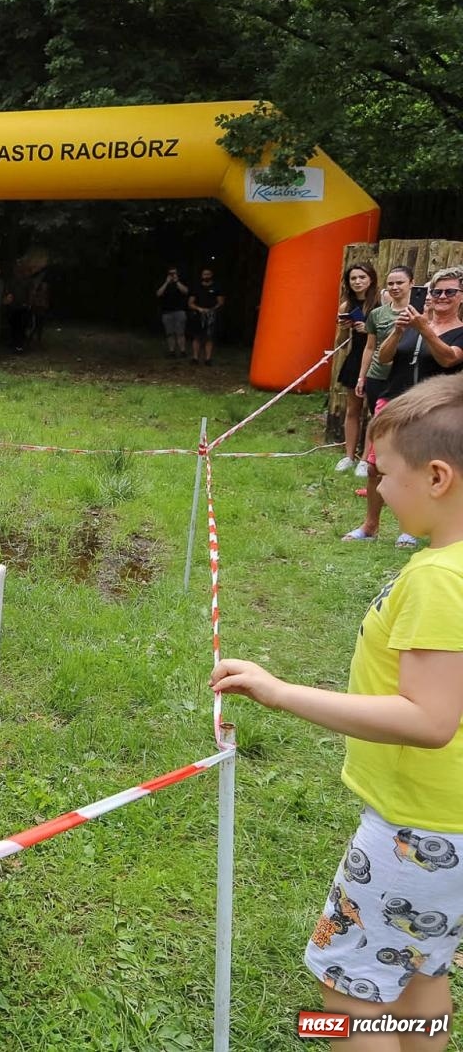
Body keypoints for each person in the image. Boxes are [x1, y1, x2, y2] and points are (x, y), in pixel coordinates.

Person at [212, 374, 463, 1049]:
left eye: (385, 474)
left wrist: (280, 691)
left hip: (417, 833)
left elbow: (431, 719)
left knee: (349, 991)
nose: (375, 488)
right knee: (421, 966)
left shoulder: (441, 578)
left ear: (437, 477)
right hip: (451, 836)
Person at [345, 267, 463, 548]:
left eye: (450, 291)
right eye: (436, 292)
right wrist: (398, 332)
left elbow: (449, 360)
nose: (442, 296)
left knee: (421, 469)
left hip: (434, 409)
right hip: (394, 400)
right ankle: (370, 525)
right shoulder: (412, 324)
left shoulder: (459, 331)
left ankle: (412, 527)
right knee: (376, 466)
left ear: (461, 297)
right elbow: (384, 358)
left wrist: (425, 330)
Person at [334, 262, 379, 475]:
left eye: (362, 277)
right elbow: (341, 341)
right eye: (353, 278)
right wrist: (344, 328)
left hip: (377, 359)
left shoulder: (380, 302)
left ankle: (365, 459)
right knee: (353, 409)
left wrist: (368, 329)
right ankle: (348, 456)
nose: (357, 282)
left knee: (373, 410)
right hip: (355, 358)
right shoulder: (346, 305)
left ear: (371, 279)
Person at [187, 267, 225, 366]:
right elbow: (190, 303)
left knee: (209, 337)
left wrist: (212, 310)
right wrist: (199, 309)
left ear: (211, 275)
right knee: (197, 337)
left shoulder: (217, 287)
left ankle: (208, 359)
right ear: (201, 276)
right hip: (198, 315)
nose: (206, 276)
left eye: (208, 274)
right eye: (204, 274)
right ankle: (195, 358)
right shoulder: (196, 287)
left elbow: (220, 302)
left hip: (211, 315)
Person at [156, 266, 189, 358]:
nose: (172, 275)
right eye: (170, 273)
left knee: (180, 332)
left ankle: (182, 351)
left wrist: (177, 281)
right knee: (169, 333)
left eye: (174, 273)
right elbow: (158, 294)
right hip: (166, 312)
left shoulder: (180, 281)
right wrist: (166, 282)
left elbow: (186, 291)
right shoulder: (164, 282)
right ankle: (172, 351)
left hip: (180, 311)